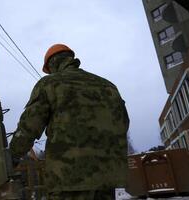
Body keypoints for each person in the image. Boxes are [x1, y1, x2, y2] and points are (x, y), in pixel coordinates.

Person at [10, 44, 129, 200]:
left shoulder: (49, 84)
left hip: (68, 179)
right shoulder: (109, 86)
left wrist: (11, 156)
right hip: (108, 179)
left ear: (52, 65)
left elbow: (29, 127)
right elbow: (123, 123)